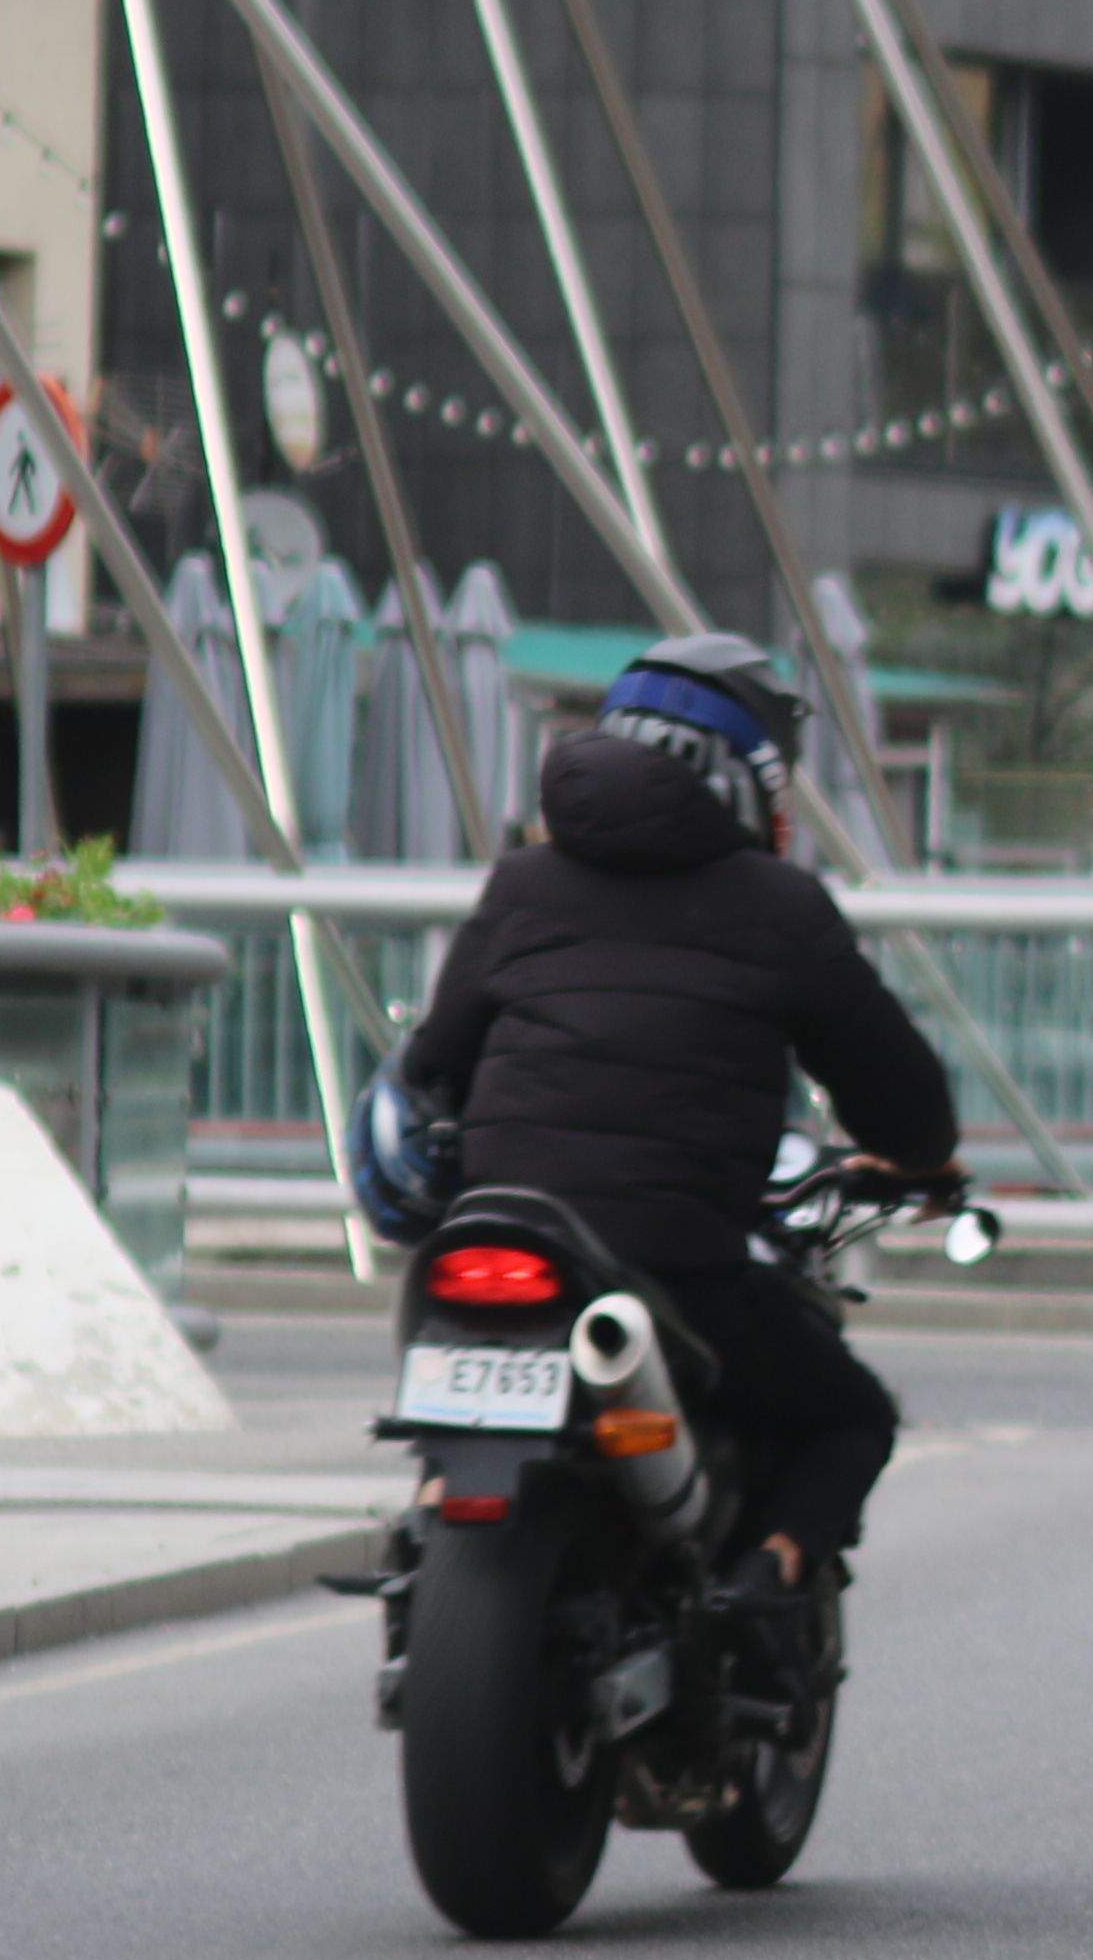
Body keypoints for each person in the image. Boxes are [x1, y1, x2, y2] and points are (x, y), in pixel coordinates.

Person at [394, 633, 961, 1619]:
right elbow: (902, 1101)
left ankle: (437, 1512)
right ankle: (765, 1582)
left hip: (498, 1233)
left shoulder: (522, 882)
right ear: (749, 772)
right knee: (851, 1418)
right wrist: (919, 1157)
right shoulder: (779, 908)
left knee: (445, 1363)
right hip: (677, 1266)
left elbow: (434, 1063)